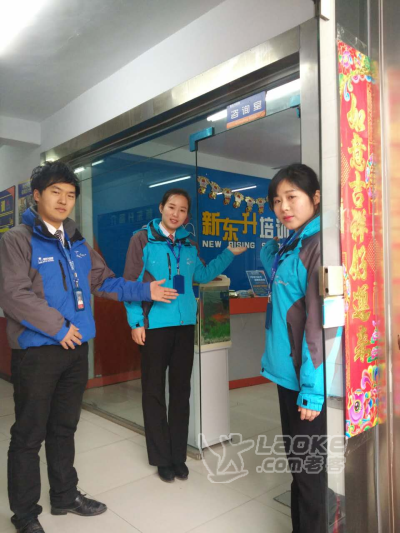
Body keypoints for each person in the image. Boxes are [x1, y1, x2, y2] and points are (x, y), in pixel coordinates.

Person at [0, 162, 178, 533]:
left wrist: (144, 289)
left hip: (76, 349)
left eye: (70, 194)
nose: (63, 200)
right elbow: (14, 295)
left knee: (64, 427)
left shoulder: (77, 241)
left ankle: (65, 495)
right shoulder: (17, 239)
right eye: (55, 192)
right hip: (37, 352)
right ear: (37, 195)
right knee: (29, 435)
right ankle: (25, 513)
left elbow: (104, 281)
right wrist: (58, 327)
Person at [124, 188, 246, 483]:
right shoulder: (142, 239)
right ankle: (161, 457)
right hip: (154, 326)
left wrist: (229, 253)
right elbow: (131, 283)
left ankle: (178, 455)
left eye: (181, 210)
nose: (175, 214)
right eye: (171, 207)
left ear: (186, 215)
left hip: (184, 325)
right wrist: (136, 322)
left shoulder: (189, 243)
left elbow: (201, 276)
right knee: (154, 392)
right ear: (161, 207)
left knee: (181, 391)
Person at [260, 164, 326, 533]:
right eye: (276, 200)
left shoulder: (317, 246)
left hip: (305, 379)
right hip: (287, 373)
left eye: (291, 197)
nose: (283, 207)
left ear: (315, 198)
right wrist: (275, 245)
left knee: (309, 473)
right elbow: (272, 264)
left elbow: (319, 323)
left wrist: (312, 391)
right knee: (298, 467)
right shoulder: (293, 244)